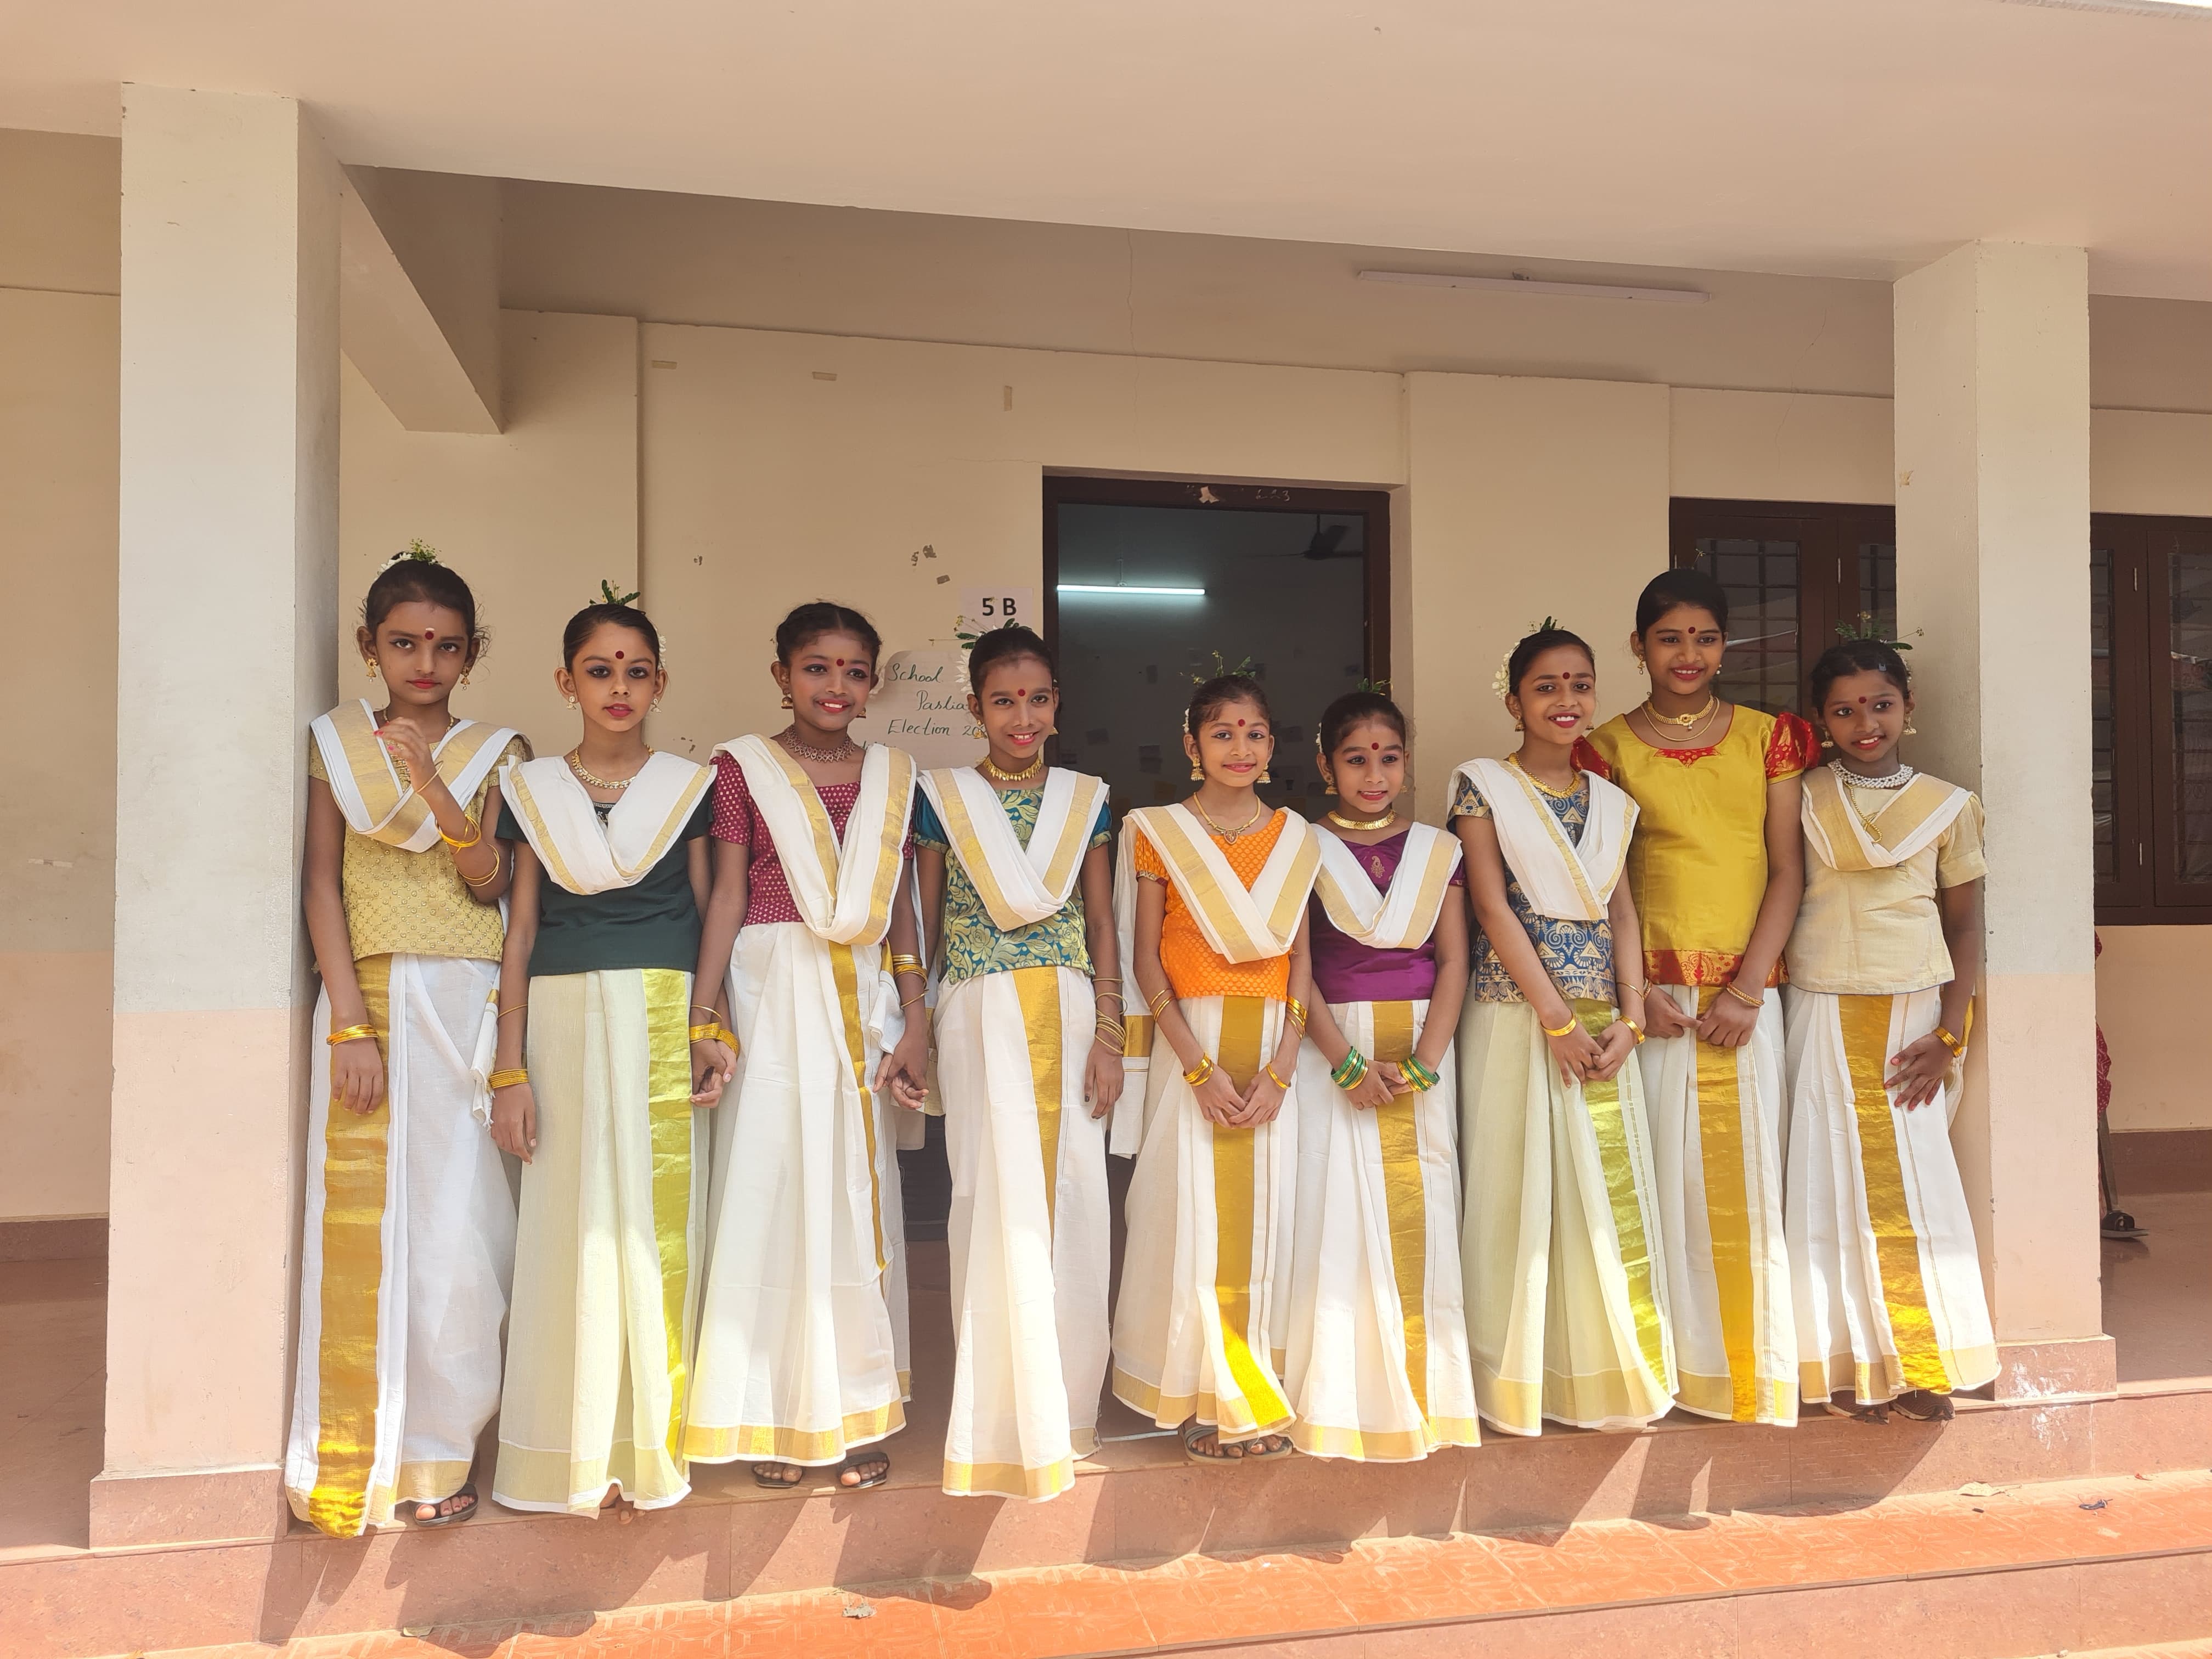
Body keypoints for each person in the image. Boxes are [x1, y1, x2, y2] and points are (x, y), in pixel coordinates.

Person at [287, 545, 527, 1536]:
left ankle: (439, 1446)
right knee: (363, 1229)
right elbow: (319, 881)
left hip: (467, 999)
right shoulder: (335, 745)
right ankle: (352, 1451)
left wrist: (435, 788)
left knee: (459, 1226)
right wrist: (348, 1020)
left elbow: (493, 882)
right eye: (404, 644)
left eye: (446, 646)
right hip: (368, 1002)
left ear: (472, 652)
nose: (425, 664)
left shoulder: (497, 751)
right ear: (368, 645)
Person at [684, 602, 928, 1492]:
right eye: (817, 667)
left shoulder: (894, 776)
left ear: (872, 684)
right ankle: (774, 1413)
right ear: (781, 675)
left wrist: (916, 1014)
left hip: (861, 991)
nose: (836, 686)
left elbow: (900, 906)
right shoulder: (741, 767)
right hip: (770, 986)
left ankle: (854, 1408)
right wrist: (706, 1012)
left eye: (854, 671)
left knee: (853, 1197)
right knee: (774, 1186)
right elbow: (725, 895)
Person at [487, 591, 716, 1520]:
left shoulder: (689, 787)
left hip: (663, 1009)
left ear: (661, 682)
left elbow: (709, 912)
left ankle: (653, 1438)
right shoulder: (531, 790)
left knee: (659, 1225)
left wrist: (709, 1025)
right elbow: (519, 930)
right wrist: (509, 1068)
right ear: (565, 681)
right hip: (562, 1015)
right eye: (599, 670)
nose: (618, 688)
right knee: (572, 1222)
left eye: (636, 671)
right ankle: (570, 1446)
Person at [1583, 569, 1814, 1426]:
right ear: (1638, 646)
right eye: (1670, 638)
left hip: (1746, 996)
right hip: (1651, 1002)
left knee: (1746, 1184)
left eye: (1706, 637)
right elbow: (1607, 883)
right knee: (1657, 1184)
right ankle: (1664, 1369)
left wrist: (1747, 992)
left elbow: (1787, 870)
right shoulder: (1604, 749)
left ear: (1726, 646)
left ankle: (1747, 1370)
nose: (1689, 654)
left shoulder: (1769, 738)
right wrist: (1637, 994)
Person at [911, 624, 1121, 1500]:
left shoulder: (1085, 801)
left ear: (1057, 705)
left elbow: (1102, 923)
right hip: (976, 1013)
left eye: (1036, 699)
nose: (1021, 717)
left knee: (1074, 1199)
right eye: (1003, 701)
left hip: (1069, 1010)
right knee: (988, 1199)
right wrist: (915, 1024)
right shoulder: (943, 799)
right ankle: (1001, 1415)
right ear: (975, 708)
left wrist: (1111, 1034)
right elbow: (924, 925)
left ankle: (1065, 1413)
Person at [1453, 626, 1676, 1435]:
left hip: (1602, 1025)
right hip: (1516, 1017)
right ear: (1514, 702)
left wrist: (1631, 1019)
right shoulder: (1482, 786)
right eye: (1546, 686)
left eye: (1580, 684)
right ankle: (1513, 1381)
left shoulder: (1613, 803)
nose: (1566, 700)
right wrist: (1555, 1020)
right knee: (1516, 1189)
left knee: (1598, 1200)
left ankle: (1604, 1375)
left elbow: (1623, 913)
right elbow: (1490, 907)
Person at [1785, 637, 1996, 1422]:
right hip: (1819, 1000)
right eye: (1844, 710)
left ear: (1910, 707)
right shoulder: (1800, 797)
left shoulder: (1950, 805)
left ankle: (1922, 1361)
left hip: (1913, 1012)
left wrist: (1950, 1033)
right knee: (1824, 1177)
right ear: (1821, 720)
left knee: (1912, 1183)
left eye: (1880, 705)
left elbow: (1965, 925)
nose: (1865, 723)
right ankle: (1845, 1367)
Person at [1111, 674, 1321, 1464]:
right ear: (1192, 745)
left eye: (1255, 733)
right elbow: (1144, 958)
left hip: (1272, 1046)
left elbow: (1301, 957)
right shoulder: (1157, 831)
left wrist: (1284, 1065)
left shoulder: (1297, 838)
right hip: (1188, 1042)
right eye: (1223, 733)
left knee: (1263, 1223)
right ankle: (1194, 1394)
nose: (1241, 748)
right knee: (1185, 1216)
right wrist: (1197, 1068)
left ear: (1272, 746)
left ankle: (1251, 1384)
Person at [1284, 691, 1481, 1460]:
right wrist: (1343, 1061)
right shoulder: (1301, 846)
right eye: (1356, 759)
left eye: (1389, 758)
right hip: (1330, 1050)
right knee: (1333, 1212)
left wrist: (1428, 1061)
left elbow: (1455, 959)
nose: (1374, 775)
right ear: (1325, 765)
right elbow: (1297, 967)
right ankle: (1340, 1397)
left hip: (1424, 1050)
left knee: (1421, 1209)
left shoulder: (1438, 850)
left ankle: (1430, 1394)